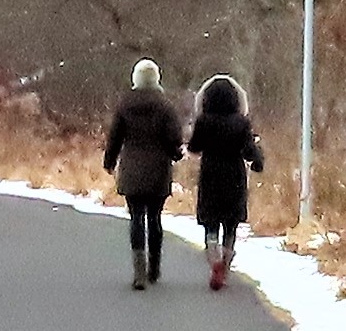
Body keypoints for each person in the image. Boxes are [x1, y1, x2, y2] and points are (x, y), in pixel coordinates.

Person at [100, 59, 187, 288]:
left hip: (132, 169)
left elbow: (115, 138)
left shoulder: (124, 105)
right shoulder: (165, 106)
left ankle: (139, 272)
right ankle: (154, 268)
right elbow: (174, 140)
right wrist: (176, 154)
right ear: (156, 78)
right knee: (155, 218)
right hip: (158, 170)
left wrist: (109, 162)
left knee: (136, 218)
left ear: (135, 79)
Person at [185, 73, 262, 289]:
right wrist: (257, 161)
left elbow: (194, 148)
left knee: (210, 221)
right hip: (234, 175)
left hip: (210, 174)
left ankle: (214, 257)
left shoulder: (204, 121)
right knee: (231, 222)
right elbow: (249, 149)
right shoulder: (241, 123)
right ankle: (225, 263)